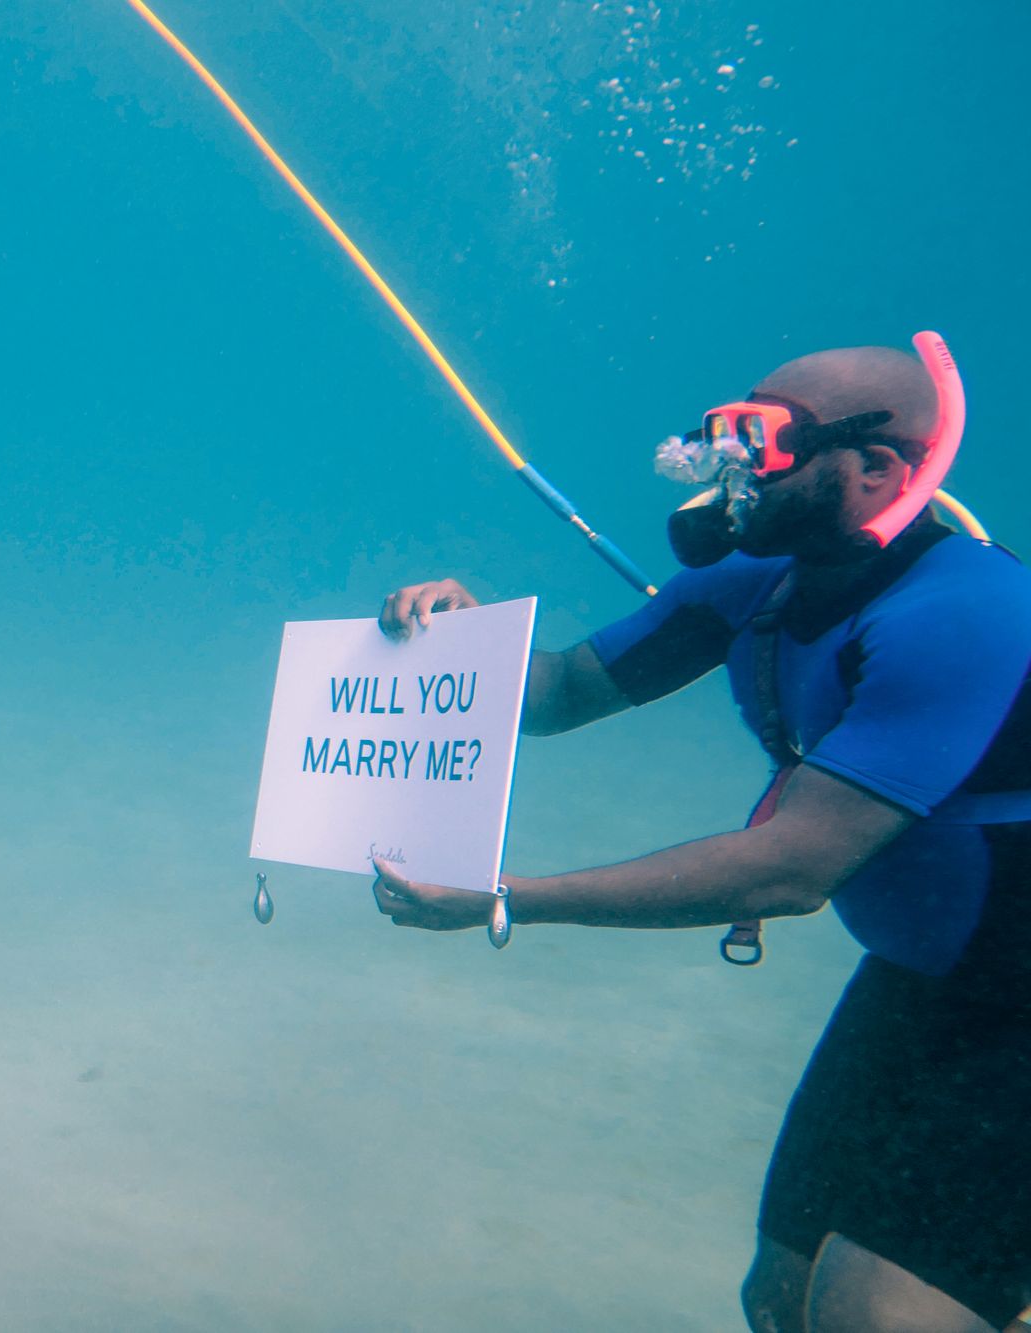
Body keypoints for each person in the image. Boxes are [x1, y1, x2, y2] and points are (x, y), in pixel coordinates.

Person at [374, 337, 1031, 1333]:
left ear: (875, 470)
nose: (725, 468)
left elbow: (788, 869)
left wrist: (506, 897)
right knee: (778, 1294)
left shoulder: (964, 612)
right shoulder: (754, 585)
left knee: (875, 1313)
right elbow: (559, 695)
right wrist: (464, 642)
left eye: (760, 443)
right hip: (924, 972)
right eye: (721, 432)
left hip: (1011, 987)